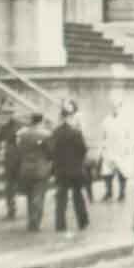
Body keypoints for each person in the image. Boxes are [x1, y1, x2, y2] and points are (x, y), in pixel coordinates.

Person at [51, 99, 90, 233]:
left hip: (60, 170)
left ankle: (60, 224)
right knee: (77, 196)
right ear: (70, 116)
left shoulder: (55, 132)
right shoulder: (76, 132)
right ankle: (82, 221)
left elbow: (52, 151)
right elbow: (83, 149)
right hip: (75, 170)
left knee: (61, 198)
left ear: (62, 117)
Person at [15, 111, 53, 232]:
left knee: (30, 196)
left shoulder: (23, 134)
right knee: (38, 196)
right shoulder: (46, 135)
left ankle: (31, 220)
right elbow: (50, 152)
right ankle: (35, 223)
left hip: (26, 168)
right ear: (41, 121)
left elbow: (19, 150)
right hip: (41, 168)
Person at [99, 98, 133, 203]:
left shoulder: (125, 120)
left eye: (117, 106)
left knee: (122, 171)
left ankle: (122, 193)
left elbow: (129, 136)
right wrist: (103, 149)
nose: (115, 108)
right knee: (107, 172)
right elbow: (103, 136)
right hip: (109, 149)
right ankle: (109, 192)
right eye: (113, 106)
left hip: (121, 149)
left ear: (120, 107)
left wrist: (127, 148)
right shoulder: (105, 121)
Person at [0, 113, 23, 220]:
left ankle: (12, 208)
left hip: (16, 159)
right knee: (10, 185)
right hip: (12, 160)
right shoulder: (7, 128)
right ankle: (11, 209)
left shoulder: (20, 127)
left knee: (11, 185)